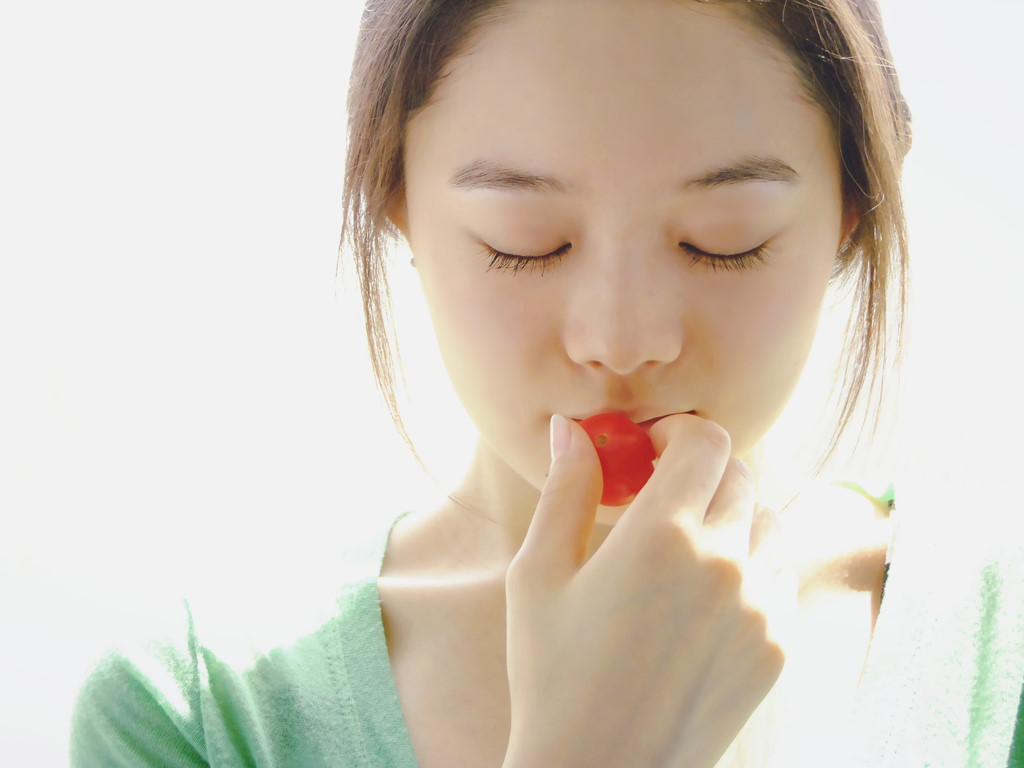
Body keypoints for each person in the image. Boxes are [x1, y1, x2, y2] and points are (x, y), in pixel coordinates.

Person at [69, 0, 1023, 766]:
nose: (620, 341)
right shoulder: (198, 716)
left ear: (852, 206)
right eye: (525, 245)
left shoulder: (999, 652)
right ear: (395, 198)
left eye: (722, 241)